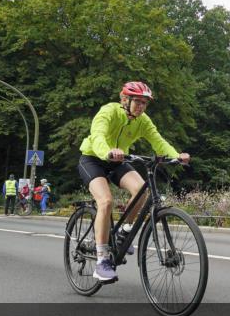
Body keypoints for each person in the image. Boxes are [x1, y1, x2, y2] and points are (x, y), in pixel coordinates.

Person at [77, 81, 190, 282]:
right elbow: (98, 136)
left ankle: (124, 230)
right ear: (124, 100)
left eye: (144, 103)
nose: (141, 106)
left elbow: (158, 141)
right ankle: (102, 260)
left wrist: (176, 156)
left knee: (141, 190)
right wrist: (108, 152)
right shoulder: (108, 111)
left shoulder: (143, 121)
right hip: (94, 158)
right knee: (106, 202)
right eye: (137, 101)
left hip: (119, 161)